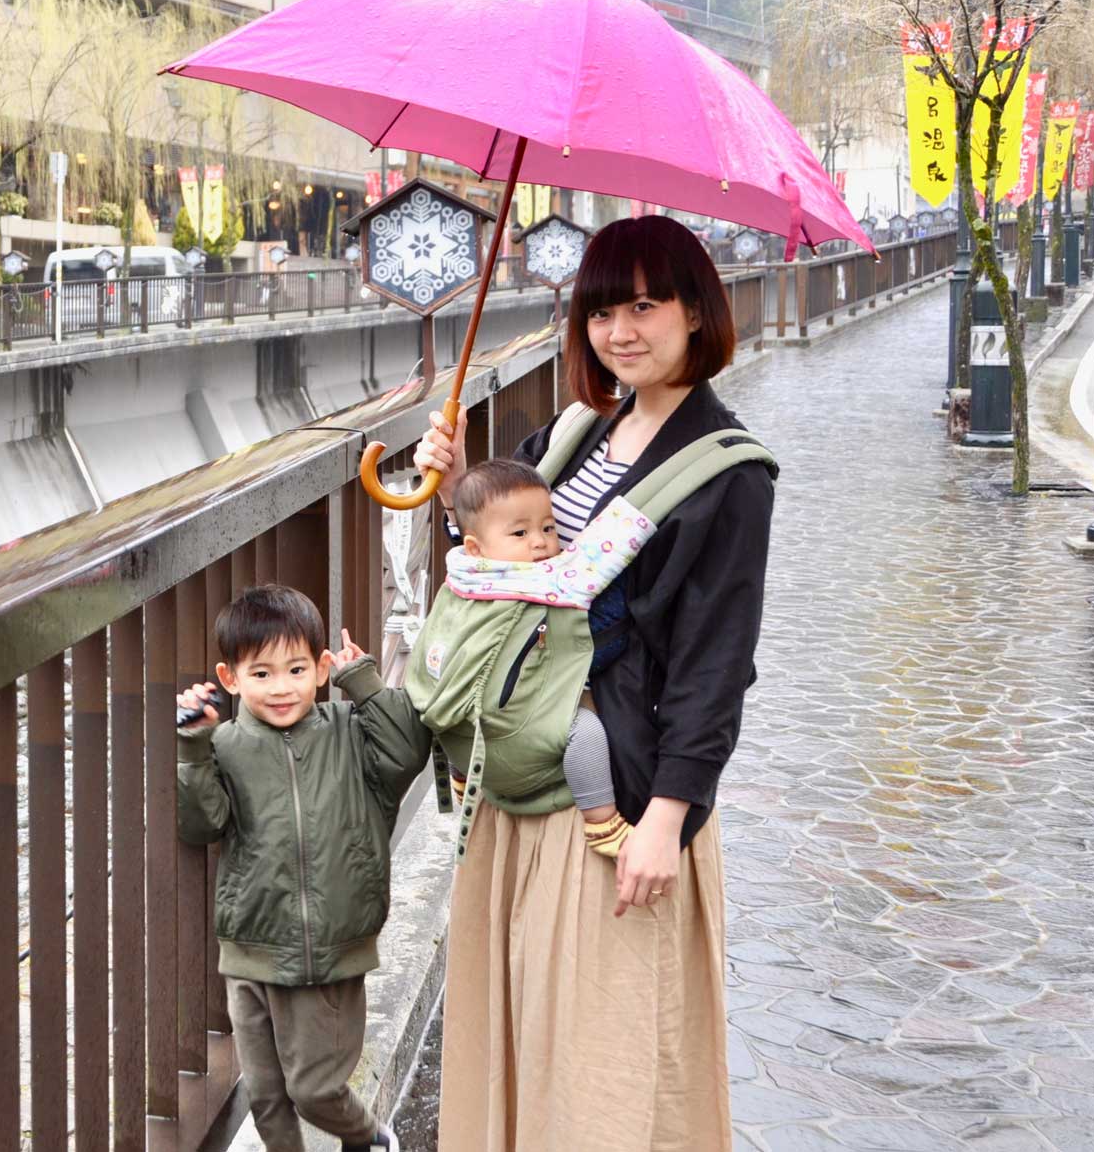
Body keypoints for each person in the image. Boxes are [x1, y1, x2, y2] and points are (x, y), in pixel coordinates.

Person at [412, 214, 775, 1152]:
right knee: (519, 1034)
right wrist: (451, 489)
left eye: (645, 306)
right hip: (520, 779)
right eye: (602, 311)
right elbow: (499, 576)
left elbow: (714, 662)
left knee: (603, 1064)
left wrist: (666, 817)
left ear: (695, 312)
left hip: (614, 804)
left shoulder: (725, 474)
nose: (620, 331)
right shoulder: (576, 431)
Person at [174, 584, 423, 1152]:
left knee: (314, 1089)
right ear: (230, 678)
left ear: (320, 669)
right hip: (252, 944)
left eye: (295, 669)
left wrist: (360, 678)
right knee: (265, 1095)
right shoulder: (227, 744)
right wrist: (192, 746)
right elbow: (201, 823)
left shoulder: (348, 730)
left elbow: (406, 751)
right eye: (260, 675)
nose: (281, 688)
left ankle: (370, 1140)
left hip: (331, 950)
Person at [430, 456, 634, 857]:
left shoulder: (467, 572)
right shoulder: (541, 579)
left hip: (468, 699)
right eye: (520, 532)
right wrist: (634, 522)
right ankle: (603, 822)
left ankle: (459, 772)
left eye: (549, 528)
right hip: (523, 703)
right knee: (584, 732)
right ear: (475, 545)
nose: (540, 542)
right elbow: (599, 565)